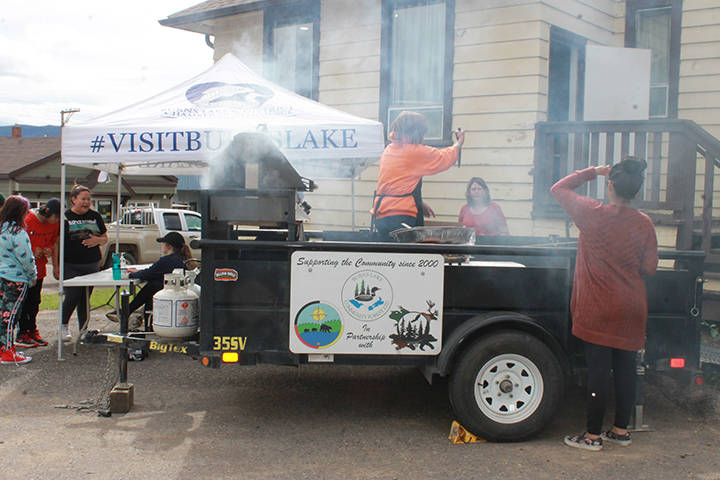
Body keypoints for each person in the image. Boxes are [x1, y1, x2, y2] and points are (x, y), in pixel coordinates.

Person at [552, 157, 658, 451]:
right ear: (635, 191)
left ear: (609, 185)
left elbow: (559, 189)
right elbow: (650, 268)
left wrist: (591, 172)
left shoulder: (592, 212)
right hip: (632, 307)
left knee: (598, 372)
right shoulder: (644, 223)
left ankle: (592, 436)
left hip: (597, 307)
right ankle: (620, 431)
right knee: (625, 370)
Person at [370, 111, 465, 241]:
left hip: (382, 214)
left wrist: (418, 202)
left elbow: (397, 184)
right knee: (407, 257)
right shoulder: (413, 151)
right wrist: (459, 142)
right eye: (422, 133)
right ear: (416, 132)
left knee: (389, 255)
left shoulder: (390, 149)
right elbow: (444, 157)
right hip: (400, 215)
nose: (422, 137)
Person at [106, 232, 190, 328]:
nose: (161, 245)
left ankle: (127, 311)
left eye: (163, 243)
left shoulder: (167, 260)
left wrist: (130, 275)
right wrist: (138, 271)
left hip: (165, 294)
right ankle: (128, 311)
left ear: (169, 246)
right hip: (175, 291)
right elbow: (153, 271)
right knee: (152, 286)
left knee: (152, 286)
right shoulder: (179, 258)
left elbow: (147, 274)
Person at [61, 185, 108, 341]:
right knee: (73, 295)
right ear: (74, 199)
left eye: (88, 199)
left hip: (91, 263)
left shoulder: (95, 216)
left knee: (85, 297)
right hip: (71, 264)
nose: (86, 202)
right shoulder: (66, 216)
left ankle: (83, 329)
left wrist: (98, 240)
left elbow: (105, 238)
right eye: (83, 199)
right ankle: (63, 326)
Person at [14, 198, 61, 348]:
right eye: (56, 216)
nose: (57, 221)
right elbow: (17, 244)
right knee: (24, 302)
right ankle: (22, 333)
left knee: (35, 302)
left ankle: (32, 330)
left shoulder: (54, 225)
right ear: (47, 211)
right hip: (24, 271)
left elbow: (53, 242)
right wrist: (32, 251)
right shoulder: (28, 221)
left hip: (39, 269)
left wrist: (49, 251)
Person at [0, 196, 37, 365]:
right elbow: (27, 259)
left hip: (1, 276)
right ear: (21, 212)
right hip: (15, 279)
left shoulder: (1, 229)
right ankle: (7, 352)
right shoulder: (18, 233)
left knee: (2, 315)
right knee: (10, 316)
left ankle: (5, 348)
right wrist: (33, 276)